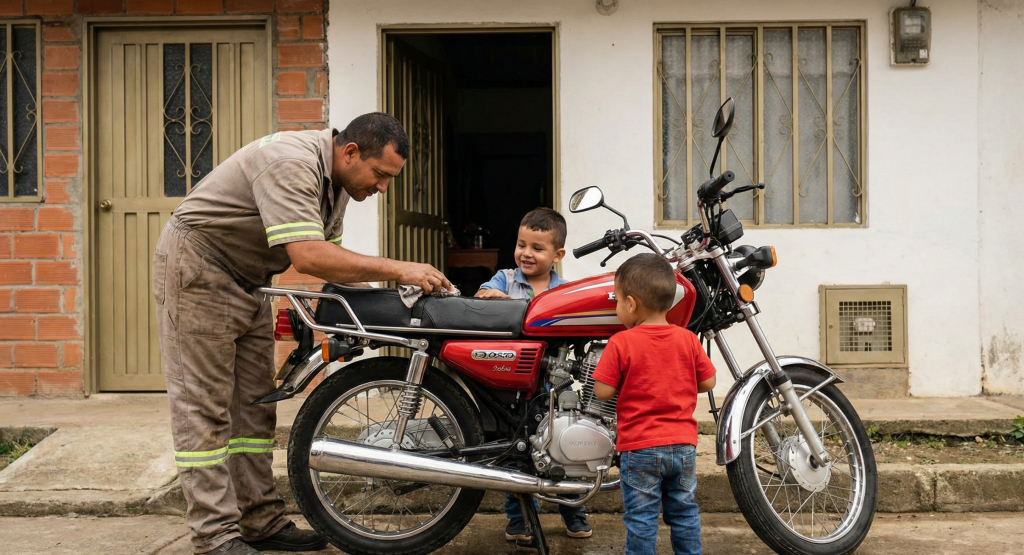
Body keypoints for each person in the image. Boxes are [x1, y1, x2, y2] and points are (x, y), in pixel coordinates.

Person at [152, 113, 451, 555]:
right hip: (200, 270)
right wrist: (401, 268)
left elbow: (336, 265)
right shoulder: (290, 162)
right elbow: (310, 256)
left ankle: (260, 522)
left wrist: (397, 307)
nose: (384, 188)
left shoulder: (340, 183)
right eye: (381, 175)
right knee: (206, 410)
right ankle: (215, 537)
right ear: (350, 152)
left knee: (253, 410)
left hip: (251, 278)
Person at [473, 208, 593, 541]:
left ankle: (574, 509)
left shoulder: (564, 290)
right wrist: (494, 298)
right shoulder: (504, 279)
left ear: (557, 255)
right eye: (521, 244)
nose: (526, 253)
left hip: (556, 381)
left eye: (537, 248)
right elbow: (482, 297)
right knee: (516, 450)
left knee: (565, 446)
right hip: (513, 385)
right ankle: (519, 518)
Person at [592, 253, 717, 555]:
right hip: (683, 448)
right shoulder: (687, 339)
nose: (617, 307)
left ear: (631, 304)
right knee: (684, 512)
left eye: (618, 301)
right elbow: (708, 382)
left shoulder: (621, 342)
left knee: (642, 518)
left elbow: (603, 391)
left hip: (641, 448)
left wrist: (627, 379)